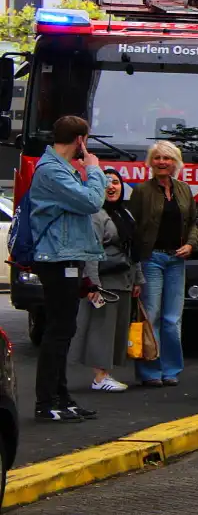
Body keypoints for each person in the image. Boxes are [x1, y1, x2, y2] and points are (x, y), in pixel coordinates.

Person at [28, 115, 107, 422]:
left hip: (67, 255)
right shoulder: (51, 170)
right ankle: (46, 401)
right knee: (58, 330)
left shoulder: (61, 168)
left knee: (64, 329)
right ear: (80, 140)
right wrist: (94, 169)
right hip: (56, 258)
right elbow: (91, 201)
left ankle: (61, 397)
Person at [127, 140, 198, 387]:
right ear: (151, 162)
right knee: (152, 316)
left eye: (167, 158)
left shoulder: (184, 189)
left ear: (175, 162)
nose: (161, 162)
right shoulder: (141, 191)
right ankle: (150, 371)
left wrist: (191, 244)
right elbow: (132, 229)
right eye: (157, 158)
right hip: (151, 260)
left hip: (177, 260)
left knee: (172, 320)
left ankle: (171, 370)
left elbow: (194, 223)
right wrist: (135, 265)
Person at [71, 169, 144, 393]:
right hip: (105, 282)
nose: (111, 186)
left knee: (116, 330)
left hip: (123, 280)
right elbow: (90, 251)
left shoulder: (124, 214)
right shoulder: (95, 214)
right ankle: (100, 377)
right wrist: (92, 284)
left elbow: (133, 250)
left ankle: (105, 374)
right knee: (101, 329)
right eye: (105, 183)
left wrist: (138, 279)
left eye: (116, 182)